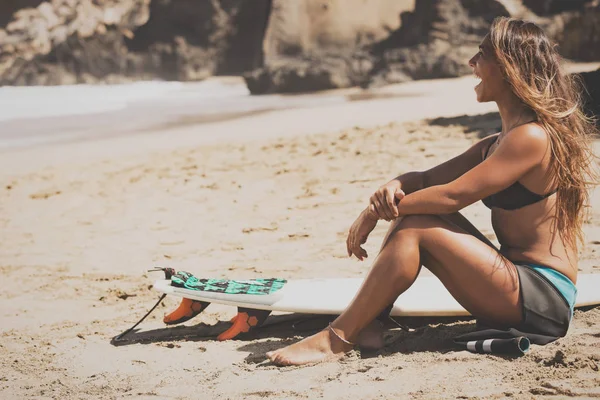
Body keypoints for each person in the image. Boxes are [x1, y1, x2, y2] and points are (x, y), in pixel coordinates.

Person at [266, 17, 598, 366]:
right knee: (417, 214)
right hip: (517, 284)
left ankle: (336, 340)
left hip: (541, 299)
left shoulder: (531, 138)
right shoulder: (497, 142)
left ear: (508, 68)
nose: (472, 63)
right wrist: (394, 187)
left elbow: (453, 197)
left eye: (481, 55)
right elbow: (425, 180)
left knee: (417, 224)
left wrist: (374, 213)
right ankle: (371, 325)